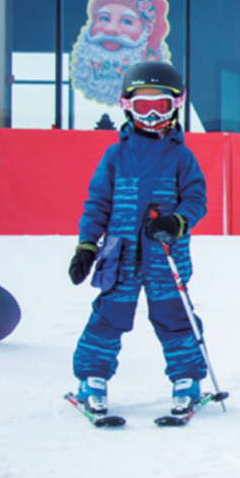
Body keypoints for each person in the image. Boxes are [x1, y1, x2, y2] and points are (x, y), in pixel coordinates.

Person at [67, 60, 209, 417]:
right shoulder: (115, 155)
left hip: (166, 256)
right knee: (109, 316)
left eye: (158, 106)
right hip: (119, 257)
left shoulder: (181, 156)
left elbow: (196, 199)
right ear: (127, 106)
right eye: (141, 106)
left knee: (175, 316)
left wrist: (177, 222)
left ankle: (186, 380)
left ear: (175, 105)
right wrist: (87, 244)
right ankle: (92, 378)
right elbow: (98, 203)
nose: (149, 116)